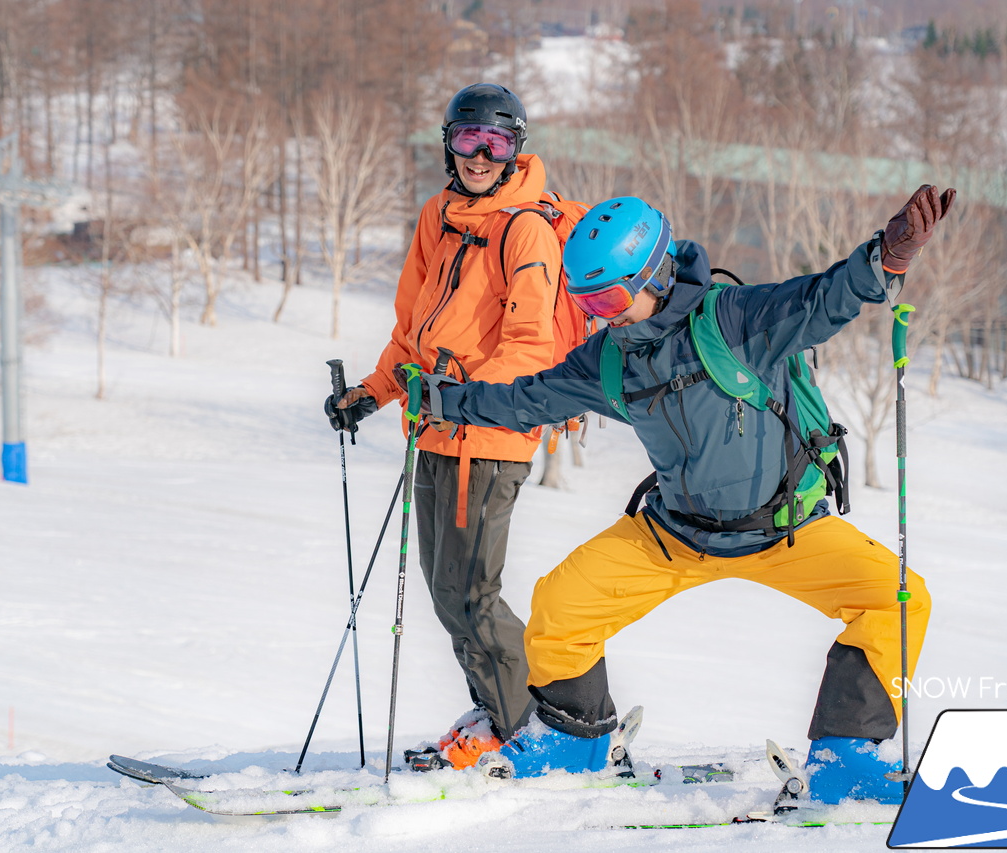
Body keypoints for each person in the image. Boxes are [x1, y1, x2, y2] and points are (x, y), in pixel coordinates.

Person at [418, 186, 955, 804]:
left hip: (786, 528)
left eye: (610, 297)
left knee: (899, 601)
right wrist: (447, 402)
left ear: (654, 273)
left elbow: (820, 300)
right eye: (586, 300)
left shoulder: (734, 321)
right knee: (562, 604)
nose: (602, 314)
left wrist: (884, 258)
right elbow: (527, 398)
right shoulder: (611, 360)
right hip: (677, 533)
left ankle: (846, 755)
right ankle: (577, 740)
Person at [324, 83, 564, 771]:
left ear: (516, 151)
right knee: (446, 593)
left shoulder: (527, 230)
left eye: (497, 143)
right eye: (468, 140)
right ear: (448, 144)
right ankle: (501, 713)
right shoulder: (438, 214)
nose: (481, 156)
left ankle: (533, 732)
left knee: (470, 594)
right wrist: (372, 393)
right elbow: (413, 329)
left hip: (486, 438)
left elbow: (529, 344)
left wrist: (460, 392)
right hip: (430, 429)